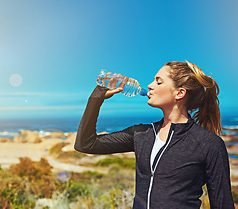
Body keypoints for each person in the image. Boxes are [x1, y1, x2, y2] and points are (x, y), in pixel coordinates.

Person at [74, 61, 234, 209]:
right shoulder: (141, 133)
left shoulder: (209, 144)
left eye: (159, 81)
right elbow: (85, 144)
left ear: (180, 93)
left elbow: (222, 204)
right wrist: (97, 96)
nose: (150, 85)